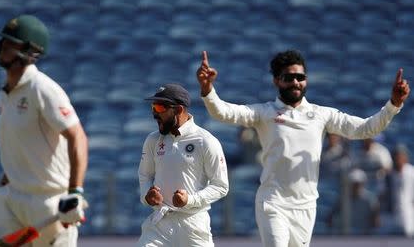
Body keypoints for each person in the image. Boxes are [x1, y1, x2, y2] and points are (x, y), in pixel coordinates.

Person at [196, 49, 410, 247]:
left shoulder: (321, 115)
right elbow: (224, 112)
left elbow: (365, 129)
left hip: (305, 207)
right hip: (273, 202)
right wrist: (208, 90)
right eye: (289, 78)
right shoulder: (264, 113)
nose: (296, 82)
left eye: (301, 77)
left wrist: (393, 104)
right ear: (277, 81)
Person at [0, 15, 89, 246]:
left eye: (11, 44)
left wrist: (75, 192)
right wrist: (10, 174)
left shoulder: (42, 88)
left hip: (49, 201)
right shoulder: (6, 93)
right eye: (3, 42)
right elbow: (21, 141)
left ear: (31, 52)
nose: (3, 48)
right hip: (11, 198)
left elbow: (78, 137)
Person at [137, 83, 229, 247]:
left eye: (159, 108)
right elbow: (145, 175)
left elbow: (221, 186)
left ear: (178, 110)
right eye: (153, 107)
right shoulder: (152, 140)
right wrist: (147, 197)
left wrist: (190, 200)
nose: (154, 114)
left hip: (193, 225)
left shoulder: (206, 141)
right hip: (160, 223)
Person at [328, 168, 380, 235]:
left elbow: (376, 222)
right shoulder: (342, 199)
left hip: (365, 235)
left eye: (358, 184)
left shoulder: (371, 199)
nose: (355, 187)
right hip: (345, 235)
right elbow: (330, 218)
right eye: (353, 184)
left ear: (363, 184)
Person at [382, 144, 414, 237]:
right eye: (396, 156)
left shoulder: (411, 173)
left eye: (400, 156)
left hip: (408, 215)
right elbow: (383, 194)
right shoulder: (388, 175)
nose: (398, 159)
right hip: (391, 216)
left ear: (405, 158)